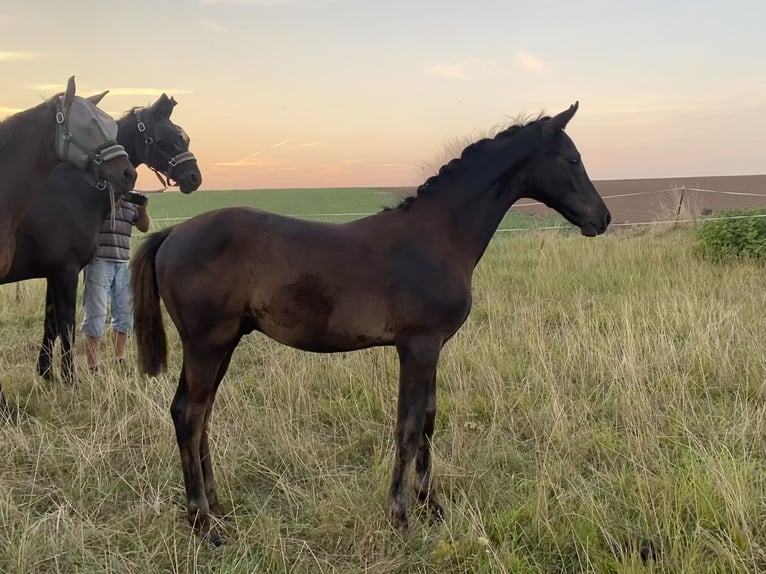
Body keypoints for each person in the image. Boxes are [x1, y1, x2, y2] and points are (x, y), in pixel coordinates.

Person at [81, 192, 150, 372]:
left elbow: (144, 227)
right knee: (96, 313)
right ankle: (93, 365)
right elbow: (86, 218)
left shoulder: (130, 203)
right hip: (98, 261)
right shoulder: (100, 198)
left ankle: (119, 358)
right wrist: (109, 202)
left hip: (123, 262)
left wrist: (143, 210)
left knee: (125, 313)